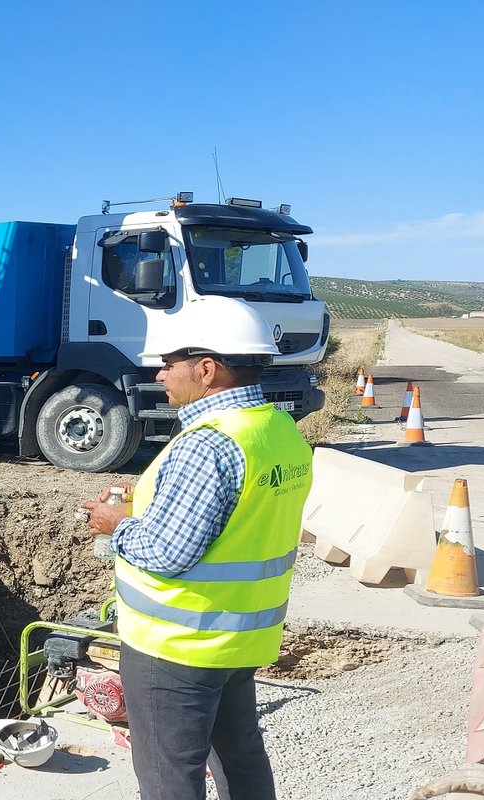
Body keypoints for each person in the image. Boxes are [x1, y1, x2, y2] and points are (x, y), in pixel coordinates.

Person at [81, 297, 313, 800]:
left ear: (206, 369)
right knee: (240, 755)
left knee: (169, 774)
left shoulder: (206, 444)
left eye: (168, 363)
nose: (161, 374)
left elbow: (167, 552)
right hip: (239, 637)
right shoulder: (278, 431)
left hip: (178, 643)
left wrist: (114, 522)